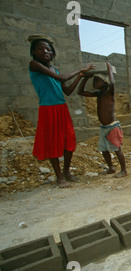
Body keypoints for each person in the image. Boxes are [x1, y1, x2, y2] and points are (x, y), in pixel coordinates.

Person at [28, 34, 94, 188]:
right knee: (52, 143)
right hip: (48, 109)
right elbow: (63, 79)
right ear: (34, 52)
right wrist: (80, 69)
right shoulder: (34, 65)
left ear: (52, 53)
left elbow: (69, 91)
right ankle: (59, 177)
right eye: (40, 48)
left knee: (69, 140)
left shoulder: (55, 69)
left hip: (62, 108)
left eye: (48, 49)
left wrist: (81, 76)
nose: (45, 51)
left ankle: (66, 172)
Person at [77, 62, 127, 178]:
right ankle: (111, 167)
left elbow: (112, 82)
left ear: (105, 83)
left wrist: (109, 68)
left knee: (117, 149)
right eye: (94, 80)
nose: (94, 83)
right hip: (104, 127)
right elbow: (80, 92)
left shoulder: (109, 93)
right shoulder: (98, 94)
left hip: (112, 126)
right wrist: (85, 78)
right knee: (104, 149)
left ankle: (124, 170)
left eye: (96, 80)